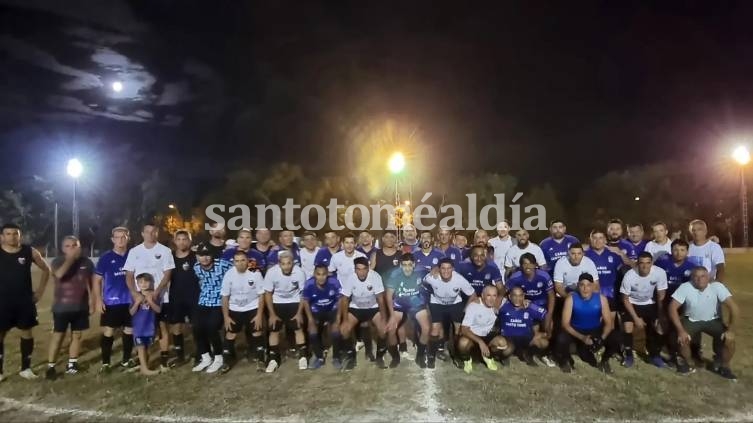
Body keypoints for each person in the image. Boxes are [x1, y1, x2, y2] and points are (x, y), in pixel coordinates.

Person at [0, 223, 51, 381]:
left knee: (27, 333)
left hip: (24, 301)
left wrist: (40, 291)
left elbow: (46, 269)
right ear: (2, 236)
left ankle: (26, 368)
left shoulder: (29, 251)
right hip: (2, 302)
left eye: (15, 233)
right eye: (8, 234)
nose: (12, 236)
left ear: (20, 235)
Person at [669, 266, 739, 379]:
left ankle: (724, 366)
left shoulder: (717, 287)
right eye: (696, 276)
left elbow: (734, 308)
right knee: (682, 339)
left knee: (729, 340)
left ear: (709, 277)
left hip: (713, 320)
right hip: (691, 320)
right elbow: (672, 307)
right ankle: (688, 362)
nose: (700, 279)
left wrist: (731, 330)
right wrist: (680, 330)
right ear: (691, 278)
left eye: (703, 276)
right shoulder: (685, 287)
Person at [123, 223, 175, 371]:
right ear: (142, 234)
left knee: (162, 328)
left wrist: (157, 292)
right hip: (140, 300)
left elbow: (167, 274)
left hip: (160, 297)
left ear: (157, 233)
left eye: (153, 232)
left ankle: (164, 359)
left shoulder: (164, 251)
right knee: (142, 328)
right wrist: (135, 294)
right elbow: (129, 275)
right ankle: (143, 361)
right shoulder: (134, 251)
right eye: (147, 232)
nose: (150, 234)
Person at [45, 236, 95, 380]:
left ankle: (72, 364)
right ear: (63, 249)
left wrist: (92, 301)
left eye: (75, 245)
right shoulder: (57, 261)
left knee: (77, 335)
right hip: (62, 307)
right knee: (58, 336)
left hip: (80, 306)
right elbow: (59, 274)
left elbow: (90, 283)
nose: (72, 248)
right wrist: (71, 258)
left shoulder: (87, 262)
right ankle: (51, 366)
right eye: (68, 246)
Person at [557, 273, 619, 373]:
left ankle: (604, 360)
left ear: (593, 286)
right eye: (582, 285)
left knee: (616, 337)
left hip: (595, 330)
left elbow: (608, 324)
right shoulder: (571, 299)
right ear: (578, 286)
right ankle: (565, 361)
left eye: (588, 285)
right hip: (576, 330)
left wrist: (601, 339)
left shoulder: (601, 299)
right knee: (561, 338)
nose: (585, 288)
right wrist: (582, 338)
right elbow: (565, 324)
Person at [422, 258, 477, 368]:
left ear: (453, 269)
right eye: (443, 268)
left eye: (448, 268)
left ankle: (456, 356)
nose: (446, 271)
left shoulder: (460, 279)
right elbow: (423, 283)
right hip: (437, 303)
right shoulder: (432, 277)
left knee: (458, 329)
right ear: (439, 269)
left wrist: (466, 309)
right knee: (435, 329)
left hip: (454, 304)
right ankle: (431, 355)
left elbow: (473, 295)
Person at [94, 227, 135, 372]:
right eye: (117, 237)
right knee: (109, 332)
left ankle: (126, 360)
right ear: (112, 240)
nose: (120, 240)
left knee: (129, 331)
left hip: (131, 301)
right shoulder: (105, 258)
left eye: (123, 237)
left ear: (128, 238)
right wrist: (99, 300)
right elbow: (97, 280)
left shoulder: (133, 255)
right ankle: (106, 363)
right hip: (112, 301)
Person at [338, 257, 389, 370]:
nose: (361, 272)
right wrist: (345, 320)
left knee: (384, 329)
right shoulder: (350, 278)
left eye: (364, 269)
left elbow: (380, 299)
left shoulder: (375, 277)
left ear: (368, 268)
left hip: (373, 308)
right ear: (355, 269)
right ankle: (351, 357)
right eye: (358, 269)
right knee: (344, 329)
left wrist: (384, 319)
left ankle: (379, 357)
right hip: (356, 308)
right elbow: (345, 299)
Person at [504, 253, 555, 366]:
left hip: (542, 306)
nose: (527, 266)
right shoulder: (516, 277)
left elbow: (551, 296)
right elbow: (504, 292)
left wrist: (550, 314)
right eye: (524, 264)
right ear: (521, 266)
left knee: (549, 329)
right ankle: (526, 351)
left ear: (535, 265)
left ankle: (540, 352)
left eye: (530, 263)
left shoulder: (544, 276)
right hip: (524, 305)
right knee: (531, 331)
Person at [620, 252, 668, 368]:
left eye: (648, 263)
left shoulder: (660, 273)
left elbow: (661, 294)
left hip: (649, 303)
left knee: (660, 327)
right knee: (628, 326)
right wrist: (636, 319)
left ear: (652, 263)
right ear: (637, 263)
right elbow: (625, 299)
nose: (645, 266)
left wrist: (660, 315)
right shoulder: (630, 275)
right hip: (632, 303)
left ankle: (654, 355)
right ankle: (629, 355)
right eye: (642, 263)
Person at [220, 250, 266, 373]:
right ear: (233, 262)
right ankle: (226, 361)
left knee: (257, 332)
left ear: (247, 261)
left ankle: (261, 359)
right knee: (230, 334)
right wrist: (226, 317)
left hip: (252, 307)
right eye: (237, 261)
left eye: (243, 260)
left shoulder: (255, 273)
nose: (240, 263)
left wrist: (259, 315)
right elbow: (224, 297)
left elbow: (262, 295)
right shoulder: (229, 274)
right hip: (234, 309)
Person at [384, 253, 431, 368]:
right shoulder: (395, 274)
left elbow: (436, 273)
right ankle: (395, 357)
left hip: (415, 302)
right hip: (399, 303)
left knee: (426, 328)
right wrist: (391, 316)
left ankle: (420, 355)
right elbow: (388, 296)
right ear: (400, 265)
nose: (407, 268)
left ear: (414, 264)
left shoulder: (422, 271)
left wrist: (435, 270)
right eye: (404, 265)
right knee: (391, 329)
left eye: (410, 265)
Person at [263, 251, 308, 372]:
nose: (287, 266)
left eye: (289, 263)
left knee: (298, 328)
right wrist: (272, 314)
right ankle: (273, 358)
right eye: (283, 264)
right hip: (277, 302)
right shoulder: (272, 272)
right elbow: (267, 293)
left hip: (294, 301)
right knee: (274, 329)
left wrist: (299, 313)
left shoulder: (299, 272)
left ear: (292, 263)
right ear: (279, 264)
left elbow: (303, 293)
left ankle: (303, 356)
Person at [192, 243, 232, 373]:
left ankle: (219, 357)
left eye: (207, 255)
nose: (205, 258)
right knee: (197, 327)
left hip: (220, 300)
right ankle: (205, 357)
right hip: (204, 300)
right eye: (201, 255)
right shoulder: (196, 267)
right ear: (197, 256)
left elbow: (235, 273)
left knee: (212, 327)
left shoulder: (223, 265)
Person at [655, 239, 695, 366]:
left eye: (682, 250)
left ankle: (679, 353)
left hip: (681, 303)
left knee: (678, 328)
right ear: (671, 251)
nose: (679, 253)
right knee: (662, 326)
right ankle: (660, 351)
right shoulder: (662, 262)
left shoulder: (692, 267)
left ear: (687, 252)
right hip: (664, 300)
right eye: (676, 250)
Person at [167, 230, 199, 366]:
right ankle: (180, 355)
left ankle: (200, 353)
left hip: (194, 296)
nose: (182, 242)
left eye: (184, 239)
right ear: (175, 242)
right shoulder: (170, 257)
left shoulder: (196, 256)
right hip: (176, 296)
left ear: (190, 241)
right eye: (179, 239)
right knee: (176, 326)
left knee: (196, 325)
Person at [301, 264, 342, 369]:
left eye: (324, 274)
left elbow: (340, 300)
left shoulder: (334, 282)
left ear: (327, 274)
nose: (321, 277)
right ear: (315, 274)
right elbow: (305, 301)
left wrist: (338, 317)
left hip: (331, 310)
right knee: (312, 331)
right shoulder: (309, 284)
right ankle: (319, 357)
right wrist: (310, 319)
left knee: (336, 330)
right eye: (318, 274)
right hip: (316, 311)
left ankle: (336, 357)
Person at [456, 285, 505, 373]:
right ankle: (467, 360)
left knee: (502, 343)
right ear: (482, 296)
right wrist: (480, 342)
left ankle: (488, 357)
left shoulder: (498, 304)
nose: (491, 299)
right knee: (463, 343)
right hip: (473, 336)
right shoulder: (474, 306)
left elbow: (515, 299)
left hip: (487, 336)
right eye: (488, 295)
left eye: (494, 295)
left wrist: (526, 302)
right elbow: (464, 329)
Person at [498, 286, 550, 367]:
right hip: (509, 339)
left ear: (523, 296)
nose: (517, 298)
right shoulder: (503, 306)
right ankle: (505, 357)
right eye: (514, 295)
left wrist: (547, 332)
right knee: (507, 350)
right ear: (509, 296)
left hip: (526, 339)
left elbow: (546, 315)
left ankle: (527, 353)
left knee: (544, 343)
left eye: (520, 295)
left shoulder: (530, 306)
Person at [130, 273, 163, 376]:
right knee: (140, 347)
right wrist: (137, 303)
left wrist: (151, 302)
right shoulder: (136, 296)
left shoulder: (154, 295)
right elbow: (131, 312)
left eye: (146, 281)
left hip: (150, 327)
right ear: (137, 284)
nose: (143, 284)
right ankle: (144, 369)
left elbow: (158, 310)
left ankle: (144, 366)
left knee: (147, 348)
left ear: (151, 282)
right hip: (138, 327)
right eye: (140, 282)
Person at [584, 229, 623, 314]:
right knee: (595, 318)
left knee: (611, 319)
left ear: (605, 240)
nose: (598, 241)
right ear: (590, 240)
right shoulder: (584, 255)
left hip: (611, 292)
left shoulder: (614, 254)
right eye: (594, 238)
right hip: (591, 291)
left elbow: (622, 273)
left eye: (600, 238)